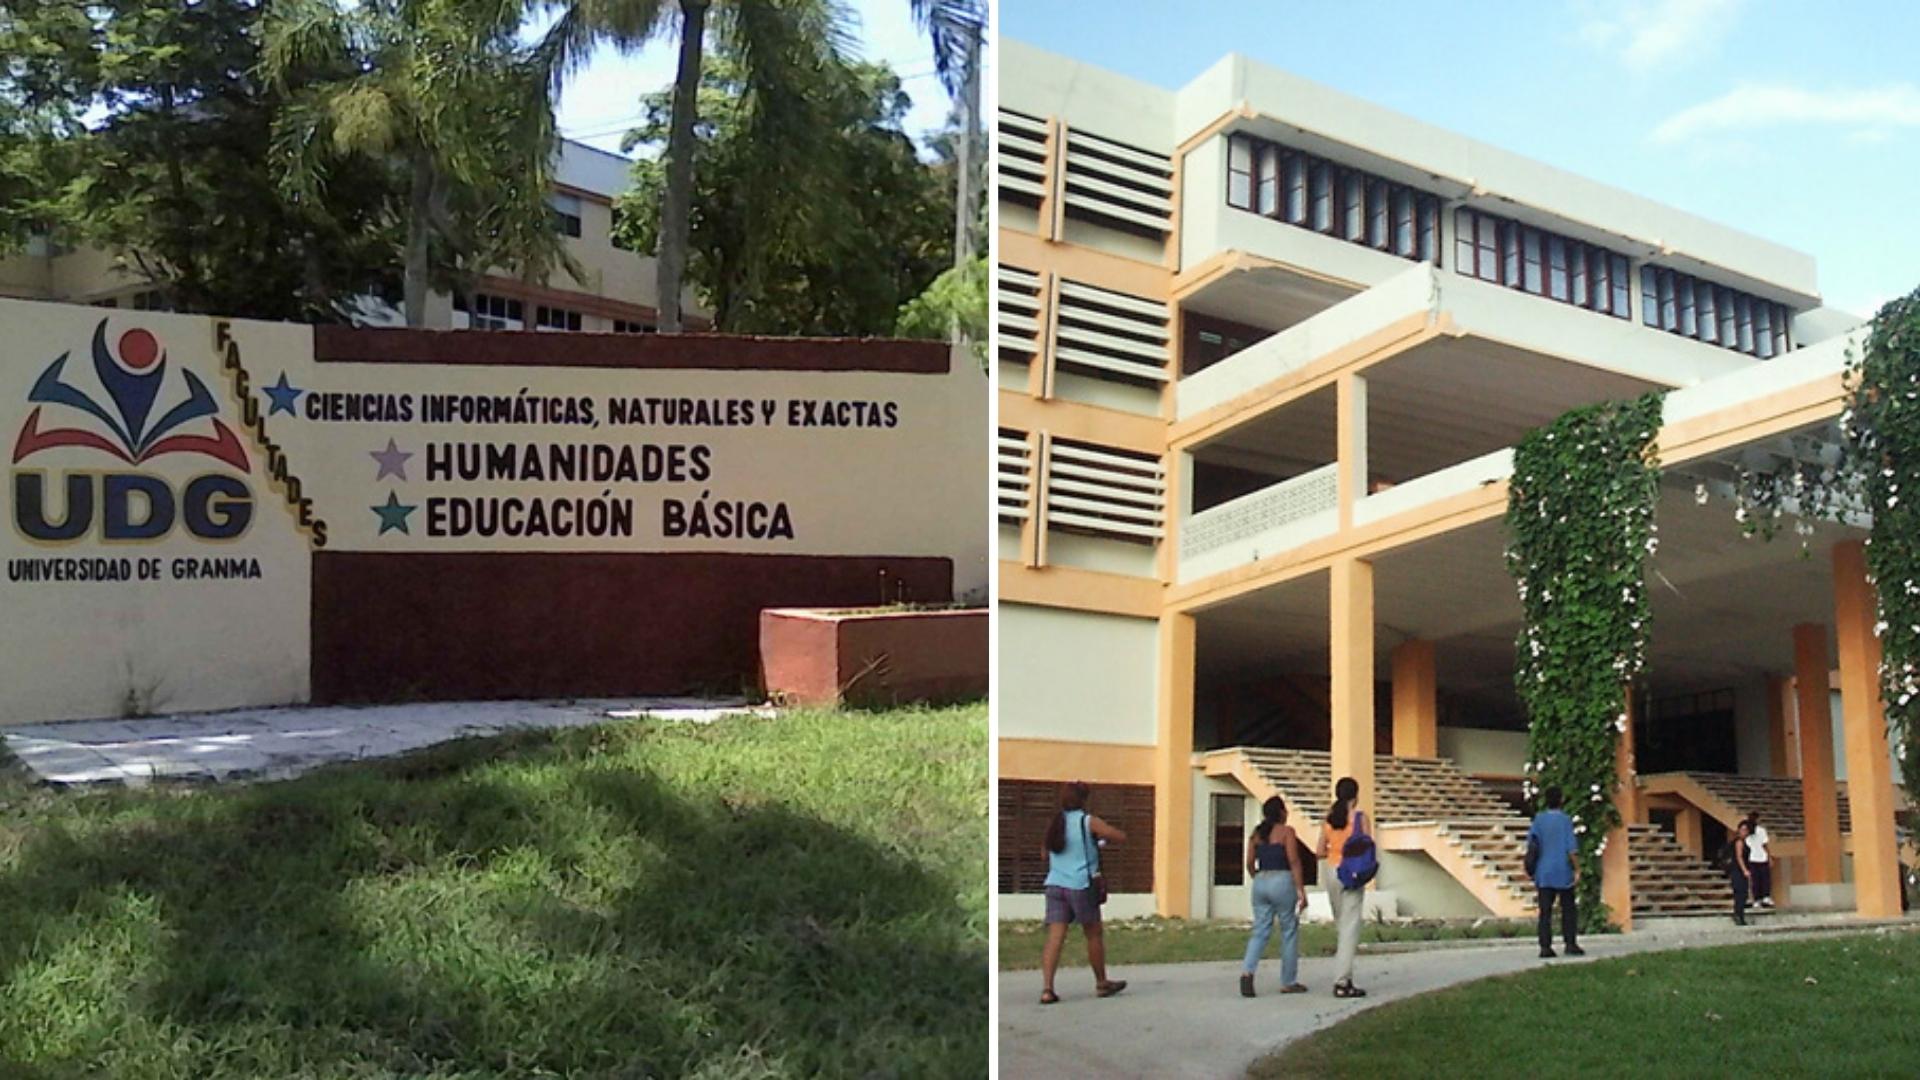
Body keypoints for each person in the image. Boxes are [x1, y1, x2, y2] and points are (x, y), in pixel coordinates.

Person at [1039, 781, 1128, 1004]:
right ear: (1083, 800)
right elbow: (1119, 836)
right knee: (1093, 933)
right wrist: (1098, 842)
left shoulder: (1055, 823)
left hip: (1055, 884)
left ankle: (1047, 989)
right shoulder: (1086, 821)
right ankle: (1101, 982)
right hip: (1080, 884)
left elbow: (1044, 854)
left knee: (1055, 937)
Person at [1240, 795, 1309, 998]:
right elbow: (1294, 861)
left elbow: (1250, 862)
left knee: (1260, 930)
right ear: (1280, 813)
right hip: (1282, 879)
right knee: (1289, 930)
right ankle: (1288, 981)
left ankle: (1247, 971)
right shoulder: (1286, 832)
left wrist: (1258, 877)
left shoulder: (1256, 834)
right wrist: (1300, 890)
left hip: (1261, 880)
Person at [1314, 776, 1369, 999]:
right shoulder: (1359, 818)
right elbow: (1367, 845)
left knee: (1341, 924)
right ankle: (1342, 981)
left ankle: (1343, 972)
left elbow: (1319, 851)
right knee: (1350, 927)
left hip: (1331, 870)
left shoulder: (1329, 819)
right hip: (1352, 871)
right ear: (1355, 796)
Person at [1526, 786, 1585, 958]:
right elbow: (1571, 849)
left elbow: (1531, 845)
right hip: (1562, 871)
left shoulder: (1538, 820)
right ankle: (1570, 943)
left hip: (1543, 872)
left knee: (1545, 911)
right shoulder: (1565, 820)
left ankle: (1545, 947)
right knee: (1568, 909)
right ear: (1561, 800)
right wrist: (1577, 869)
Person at [1744, 812, 1773, 908]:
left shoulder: (1747, 832)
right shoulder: (1761, 830)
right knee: (1765, 879)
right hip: (1762, 857)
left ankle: (1756, 899)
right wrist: (1769, 856)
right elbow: (1764, 844)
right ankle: (1766, 896)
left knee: (1755, 880)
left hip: (1753, 858)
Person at [1729, 817, 1753, 926]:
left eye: (1746, 830)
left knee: (1743, 893)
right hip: (1737, 871)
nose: (1744, 832)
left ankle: (1740, 914)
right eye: (1742, 829)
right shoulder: (1739, 842)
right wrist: (1744, 870)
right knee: (1739, 893)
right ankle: (1738, 915)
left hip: (1741, 870)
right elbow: (1739, 857)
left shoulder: (1745, 842)